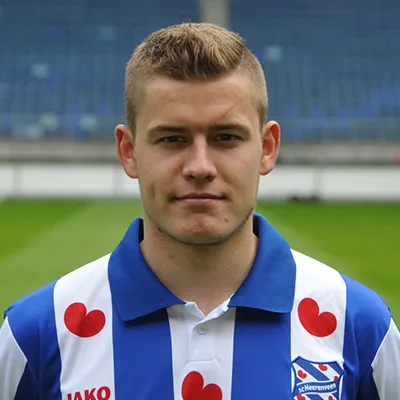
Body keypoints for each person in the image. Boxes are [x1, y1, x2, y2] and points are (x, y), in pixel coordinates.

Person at [0, 22, 399, 400]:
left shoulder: (359, 326)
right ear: (128, 151)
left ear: (267, 148)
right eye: (172, 139)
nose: (200, 167)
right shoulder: (38, 333)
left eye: (226, 137)